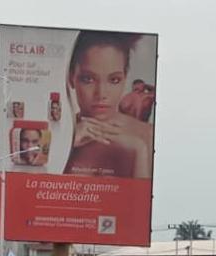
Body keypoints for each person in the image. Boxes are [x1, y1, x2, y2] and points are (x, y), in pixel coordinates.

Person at [63, 31, 154, 179]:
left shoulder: (148, 136)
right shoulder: (58, 137)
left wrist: (139, 151)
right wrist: (65, 144)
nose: (101, 94)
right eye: (88, 79)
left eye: (114, 80)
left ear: (125, 79)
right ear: (71, 78)